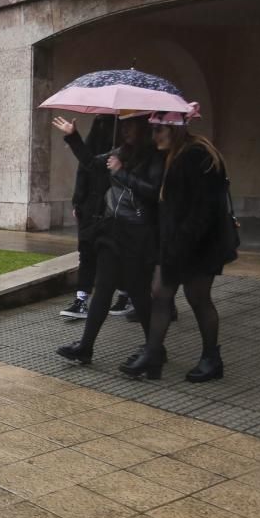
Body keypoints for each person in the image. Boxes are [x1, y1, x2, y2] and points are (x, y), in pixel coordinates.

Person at [121, 105, 234, 381]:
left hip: (199, 248)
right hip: (176, 245)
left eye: (158, 130)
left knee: (198, 299)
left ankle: (211, 358)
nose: (154, 135)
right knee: (160, 295)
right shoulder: (176, 155)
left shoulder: (196, 156)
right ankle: (152, 352)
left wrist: (180, 246)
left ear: (174, 129)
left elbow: (202, 211)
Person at [54, 114, 163, 369]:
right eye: (122, 124)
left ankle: (155, 347)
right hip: (113, 232)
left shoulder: (155, 156)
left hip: (139, 234)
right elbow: (93, 165)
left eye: (131, 124)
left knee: (139, 292)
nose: (125, 129)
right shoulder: (119, 152)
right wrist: (73, 137)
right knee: (103, 287)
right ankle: (85, 346)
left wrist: (122, 173)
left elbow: (153, 193)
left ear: (143, 126)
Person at [60, 116, 114, 319]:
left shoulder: (122, 152)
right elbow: (86, 168)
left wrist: (74, 137)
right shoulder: (98, 149)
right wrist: (78, 202)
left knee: (112, 257)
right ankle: (82, 299)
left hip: (110, 211)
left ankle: (126, 296)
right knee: (87, 253)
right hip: (91, 209)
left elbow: (90, 165)